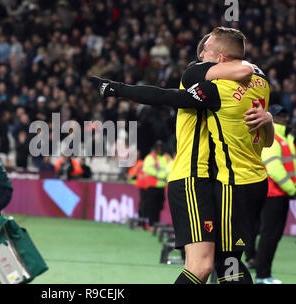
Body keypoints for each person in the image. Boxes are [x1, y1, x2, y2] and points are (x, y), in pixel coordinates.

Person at [91, 27, 274, 284]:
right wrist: (268, 117)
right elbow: (169, 94)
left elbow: (163, 96)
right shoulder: (257, 80)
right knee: (214, 264)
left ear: (220, 58)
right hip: (198, 177)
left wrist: (116, 89)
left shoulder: (214, 87)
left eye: (206, 50)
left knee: (217, 264)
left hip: (217, 181)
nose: (201, 55)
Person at [246, 104, 296, 284]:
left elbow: (291, 167)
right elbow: (274, 169)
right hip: (273, 194)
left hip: (279, 193)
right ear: (271, 116)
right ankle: (262, 275)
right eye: (280, 115)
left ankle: (263, 272)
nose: (284, 118)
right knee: (270, 235)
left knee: (272, 236)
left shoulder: (285, 138)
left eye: (285, 114)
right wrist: (293, 189)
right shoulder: (274, 138)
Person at [142, 140, 172, 228]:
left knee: (159, 207)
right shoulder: (150, 157)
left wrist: (165, 175)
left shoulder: (167, 157)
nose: (159, 149)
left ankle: (155, 224)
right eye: (158, 148)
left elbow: (170, 167)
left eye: (161, 147)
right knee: (151, 206)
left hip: (162, 187)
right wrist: (161, 175)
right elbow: (148, 169)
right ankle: (150, 224)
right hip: (152, 186)